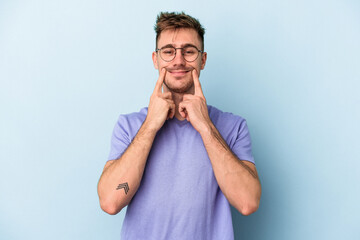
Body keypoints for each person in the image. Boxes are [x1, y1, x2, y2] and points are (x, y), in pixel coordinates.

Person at [97, 12, 261, 240]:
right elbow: (111, 201)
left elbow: (247, 202)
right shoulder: (130, 126)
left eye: (189, 51)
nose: (178, 60)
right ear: (156, 59)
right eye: (168, 51)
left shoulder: (233, 127)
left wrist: (205, 126)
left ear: (202, 60)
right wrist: (150, 127)